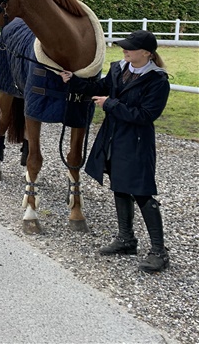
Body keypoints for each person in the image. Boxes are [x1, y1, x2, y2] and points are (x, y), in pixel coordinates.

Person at [60, 29, 171, 272]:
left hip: (136, 142)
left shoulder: (157, 81)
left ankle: (159, 251)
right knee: (119, 185)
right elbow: (100, 86)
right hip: (113, 138)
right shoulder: (119, 69)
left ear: (147, 53)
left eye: (130, 47)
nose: (124, 50)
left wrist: (109, 104)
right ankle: (126, 240)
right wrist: (74, 80)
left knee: (141, 192)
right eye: (125, 46)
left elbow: (145, 115)